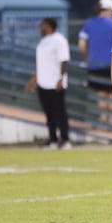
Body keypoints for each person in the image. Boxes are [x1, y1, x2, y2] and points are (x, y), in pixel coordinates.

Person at [25, 17, 72, 149]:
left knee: (60, 112)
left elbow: (64, 60)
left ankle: (65, 140)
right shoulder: (43, 42)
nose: (41, 28)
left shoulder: (59, 40)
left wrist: (60, 79)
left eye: (42, 25)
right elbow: (41, 64)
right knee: (49, 114)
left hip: (55, 83)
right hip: (43, 82)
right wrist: (33, 79)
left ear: (49, 26)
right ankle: (53, 140)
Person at [78, 0, 112, 124]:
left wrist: (87, 58)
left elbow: (81, 44)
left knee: (101, 95)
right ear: (108, 10)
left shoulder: (89, 24)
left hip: (95, 65)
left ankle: (103, 120)